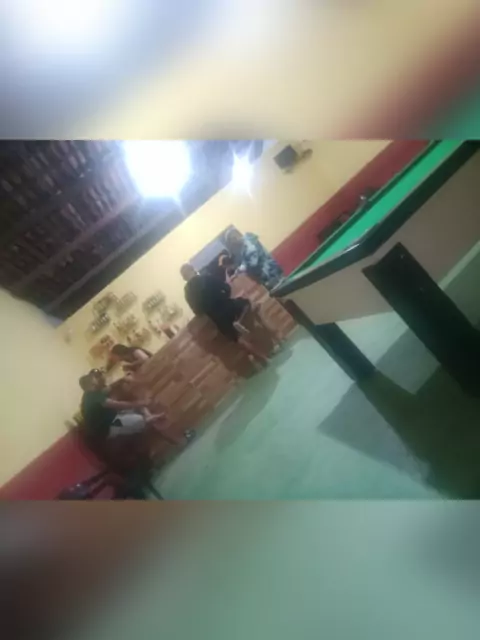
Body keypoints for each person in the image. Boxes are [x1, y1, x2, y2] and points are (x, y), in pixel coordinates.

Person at [180, 263, 269, 366]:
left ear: (184, 278)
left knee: (237, 339)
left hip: (216, 320)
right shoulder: (206, 277)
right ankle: (256, 331)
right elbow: (226, 288)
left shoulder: (187, 292)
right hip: (230, 307)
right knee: (248, 305)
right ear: (193, 269)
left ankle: (262, 359)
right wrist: (223, 297)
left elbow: (197, 312)